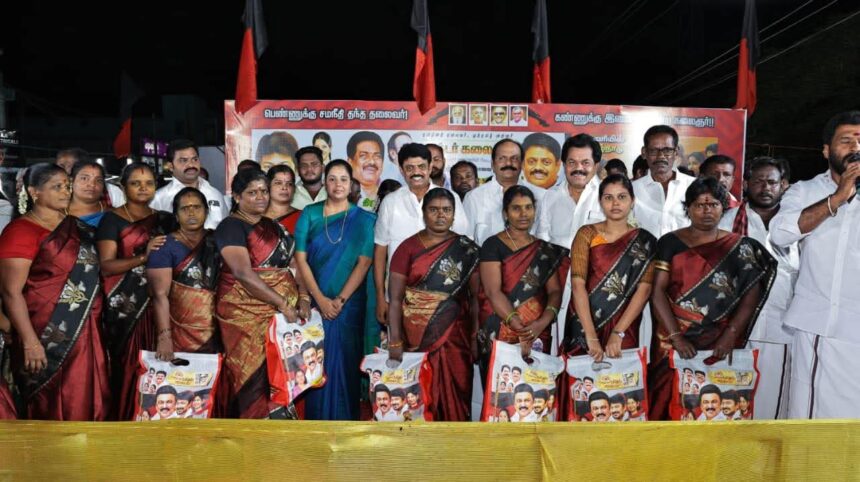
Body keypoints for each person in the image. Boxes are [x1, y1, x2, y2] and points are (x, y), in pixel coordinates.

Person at [647, 178, 777, 420]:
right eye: (699, 205)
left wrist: (730, 335)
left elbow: (751, 294)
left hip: (719, 339)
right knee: (665, 401)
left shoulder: (738, 246)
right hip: (672, 339)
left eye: (713, 204)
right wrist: (676, 337)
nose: (706, 211)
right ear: (688, 208)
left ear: (723, 208)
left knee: (716, 404)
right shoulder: (670, 242)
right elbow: (657, 292)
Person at [0, 163, 110, 420]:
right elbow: (10, 292)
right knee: (51, 405)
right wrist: (30, 342)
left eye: (67, 186)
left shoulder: (78, 228)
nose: (65, 191)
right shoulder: (20, 231)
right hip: (43, 335)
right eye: (57, 187)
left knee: (91, 398)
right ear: (34, 192)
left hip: (87, 330)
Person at [770, 111, 860, 419]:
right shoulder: (804, 191)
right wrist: (837, 198)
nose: (855, 147)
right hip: (819, 326)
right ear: (826, 150)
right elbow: (780, 234)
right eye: (846, 140)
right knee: (813, 421)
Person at [557, 176, 656, 419]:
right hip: (583, 321)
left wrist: (618, 333)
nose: (615, 203)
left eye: (622, 197)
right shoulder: (587, 234)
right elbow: (578, 285)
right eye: (608, 197)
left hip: (624, 325)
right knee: (581, 393)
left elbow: (644, 290)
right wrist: (591, 336)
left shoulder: (645, 241)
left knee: (620, 392)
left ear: (632, 201)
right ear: (600, 202)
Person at [215, 168, 310, 419]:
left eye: (264, 191)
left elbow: (294, 266)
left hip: (280, 319)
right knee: (250, 376)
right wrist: (282, 304)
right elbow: (243, 273)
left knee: (281, 373)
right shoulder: (230, 227)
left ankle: (278, 426)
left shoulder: (274, 227)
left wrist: (303, 296)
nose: (260, 197)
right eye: (252, 192)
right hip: (244, 316)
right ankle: (253, 428)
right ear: (237, 197)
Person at [386, 188, 481, 421]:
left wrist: (475, 336)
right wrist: (395, 339)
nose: (441, 215)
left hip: (456, 338)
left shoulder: (467, 249)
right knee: (420, 397)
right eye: (434, 210)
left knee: (457, 396)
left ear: (454, 214)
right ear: (424, 212)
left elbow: (476, 297)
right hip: (416, 338)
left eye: (446, 210)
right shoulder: (407, 248)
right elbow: (395, 299)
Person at [293, 160, 376, 420]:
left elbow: (364, 262)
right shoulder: (310, 213)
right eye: (332, 179)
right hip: (316, 304)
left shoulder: (365, 219)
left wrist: (339, 300)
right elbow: (300, 259)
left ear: (351, 185)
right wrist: (319, 299)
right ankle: (317, 425)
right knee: (316, 363)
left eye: (343, 179)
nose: (338, 184)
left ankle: (346, 422)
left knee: (346, 363)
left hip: (349, 305)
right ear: (325, 183)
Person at [719, 157, 797, 419]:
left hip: (781, 329)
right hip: (736, 329)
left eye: (772, 182)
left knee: (773, 405)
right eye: (759, 181)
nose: (765, 187)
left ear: (783, 185)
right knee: (732, 401)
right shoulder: (727, 222)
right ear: (746, 184)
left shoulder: (797, 224)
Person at [97, 162, 176, 420]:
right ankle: (125, 419)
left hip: (161, 303)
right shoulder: (112, 219)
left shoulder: (164, 219)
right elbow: (107, 266)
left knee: (159, 366)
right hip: (125, 308)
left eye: (149, 183)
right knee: (129, 367)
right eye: (135, 183)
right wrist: (144, 256)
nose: (143, 188)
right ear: (123, 187)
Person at [374, 144, 468, 326]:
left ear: (430, 167)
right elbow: (380, 252)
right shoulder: (391, 202)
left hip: (443, 299)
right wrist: (380, 297)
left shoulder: (450, 199)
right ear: (401, 170)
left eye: (421, 167)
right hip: (399, 299)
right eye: (410, 168)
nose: (416, 172)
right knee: (400, 343)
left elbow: (463, 247)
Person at [478, 186, 562, 378]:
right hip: (502, 328)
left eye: (528, 207)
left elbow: (555, 291)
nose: (523, 214)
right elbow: (492, 291)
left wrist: (541, 323)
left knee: (535, 390)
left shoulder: (544, 250)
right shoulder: (492, 245)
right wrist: (520, 329)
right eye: (516, 208)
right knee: (500, 389)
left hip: (537, 332)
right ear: (505, 213)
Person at [535, 134, 606, 347]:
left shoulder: (607, 196)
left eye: (585, 163)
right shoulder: (550, 197)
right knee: (558, 347)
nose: (578, 169)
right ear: (563, 164)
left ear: (596, 165)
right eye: (572, 163)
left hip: (597, 287)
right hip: (557, 287)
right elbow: (543, 244)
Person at [146, 187, 221, 360]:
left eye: (197, 207)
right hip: (179, 330)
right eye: (185, 208)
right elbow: (159, 295)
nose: (191, 213)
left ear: (206, 211)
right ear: (176, 215)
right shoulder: (164, 246)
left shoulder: (217, 240)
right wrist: (164, 337)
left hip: (217, 327)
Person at [464, 139, 546, 246]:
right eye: (502, 158)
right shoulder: (474, 197)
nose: (508, 163)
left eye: (514, 158)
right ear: (493, 164)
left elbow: (545, 238)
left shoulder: (541, 196)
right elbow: (466, 240)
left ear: (522, 164)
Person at [632, 125, 697, 238]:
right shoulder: (631, 189)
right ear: (644, 152)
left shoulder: (694, 186)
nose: (661, 156)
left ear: (676, 152)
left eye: (667, 150)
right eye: (653, 151)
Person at [151, 139, 228, 230]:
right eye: (183, 160)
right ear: (171, 166)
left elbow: (225, 228)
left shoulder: (215, 194)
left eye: (194, 159)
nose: (191, 165)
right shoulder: (159, 199)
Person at [56, 148, 125, 206]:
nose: (66, 171)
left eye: (70, 166)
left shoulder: (112, 191)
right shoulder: (52, 191)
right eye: (60, 166)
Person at [347, 131, 386, 207]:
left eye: (377, 156)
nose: (371, 161)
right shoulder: (340, 193)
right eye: (363, 156)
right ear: (350, 162)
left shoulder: (390, 194)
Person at [67, 160, 109, 227]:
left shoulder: (113, 214)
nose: (92, 184)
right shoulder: (56, 213)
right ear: (71, 181)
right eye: (84, 178)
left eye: (98, 180)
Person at [265, 165, 301, 233]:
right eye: (278, 183)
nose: (284, 187)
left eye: (289, 184)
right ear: (268, 187)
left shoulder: (303, 217)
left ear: (294, 189)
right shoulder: (256, 217)